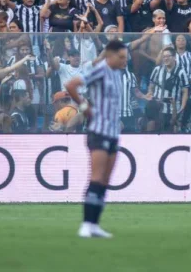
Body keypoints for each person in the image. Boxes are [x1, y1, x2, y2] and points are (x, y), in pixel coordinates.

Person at [65, 40, 128, 239]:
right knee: (97, 176)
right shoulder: (99, 70)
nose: (124, 60)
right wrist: (85, 108)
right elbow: (71, 85)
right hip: (98, 131)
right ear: (110, 56)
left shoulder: (118, 74)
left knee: (106, 180)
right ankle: (86, 224)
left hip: (112, 132)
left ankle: (94, 225)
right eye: (121, 57)